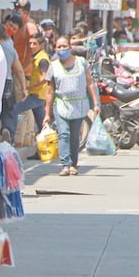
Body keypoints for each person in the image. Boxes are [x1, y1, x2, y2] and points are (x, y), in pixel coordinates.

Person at [44, 36, 100, 176]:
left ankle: (73, 164)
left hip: (79, 105)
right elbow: (50, 91)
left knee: (74, 136)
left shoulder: (82, 63)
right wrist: (47, 113)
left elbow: (90, 83)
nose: (61, 49)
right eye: (59, 47)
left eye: (64, 46)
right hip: (61, 104)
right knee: (63, 134)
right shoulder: (53, 66)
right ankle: (65, 164)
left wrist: (96, 103)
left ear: (70, 48)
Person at [11, 32, 53, 156]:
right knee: (42, 125)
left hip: (37, 95)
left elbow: (44, 78)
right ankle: (43, 150)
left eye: (35, 44)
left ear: (41, 45)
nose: (31, 46)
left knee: (14, 109)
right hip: (37, 94)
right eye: (30, 43)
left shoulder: (42, 59)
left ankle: (11, 140)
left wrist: (29, 86)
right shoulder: (37, 57)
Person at [0, 15, 27, 142]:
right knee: (8, 110)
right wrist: (24, 88)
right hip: (7, 82)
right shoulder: (10, 49)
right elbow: (19, 70)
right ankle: (7, 130)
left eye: (14, 28)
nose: (11, 29)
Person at [11, 0, 40, 69]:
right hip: (16, 68)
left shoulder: (30, 27)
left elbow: (34, 51)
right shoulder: (17, 26)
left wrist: (22, 69)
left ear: (25, 13)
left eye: (17, 11)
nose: (14, 11)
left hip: (25, 72)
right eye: (14, 9)